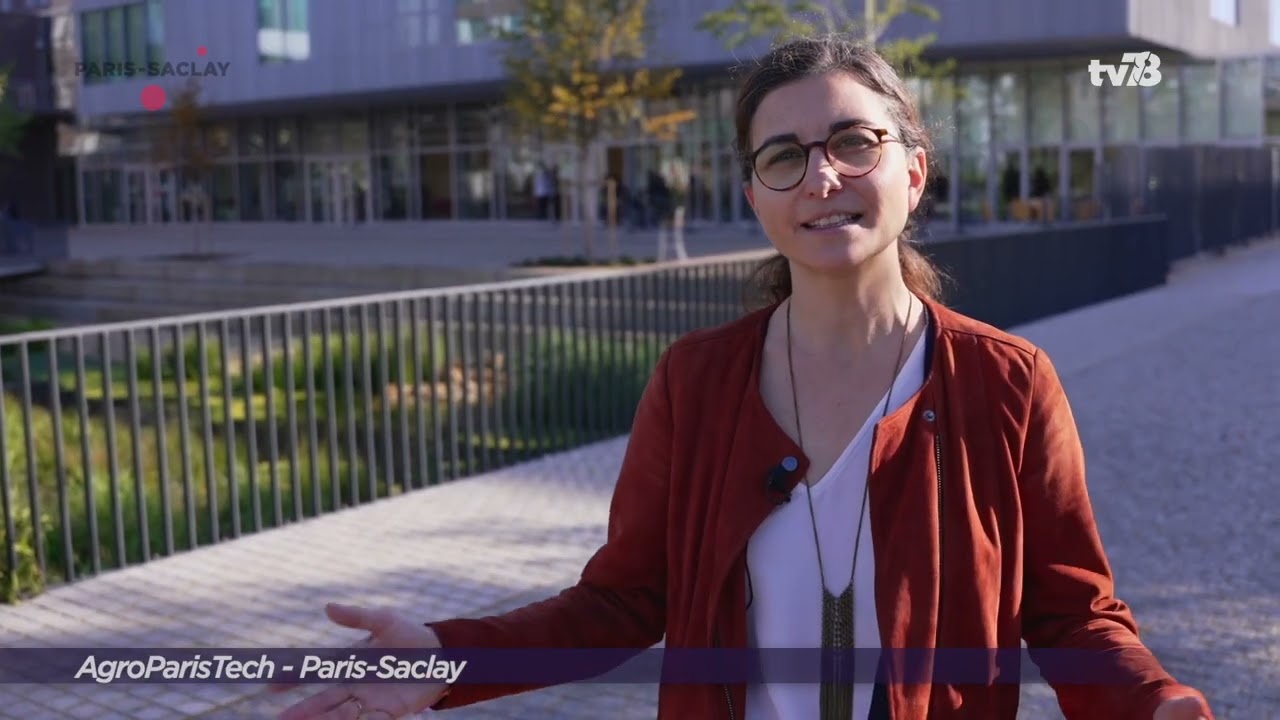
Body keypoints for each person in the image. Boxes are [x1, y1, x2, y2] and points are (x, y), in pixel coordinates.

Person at [274, 36, 1214, 720]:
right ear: (754, 195)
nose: (822, 177)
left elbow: (1070, 611)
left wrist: (1159, 703)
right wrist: (444, 656)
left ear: (915, 171)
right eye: (784, 157)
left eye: (856, 143)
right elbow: (625, 600)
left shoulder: (1007, 382)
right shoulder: (696, 381)